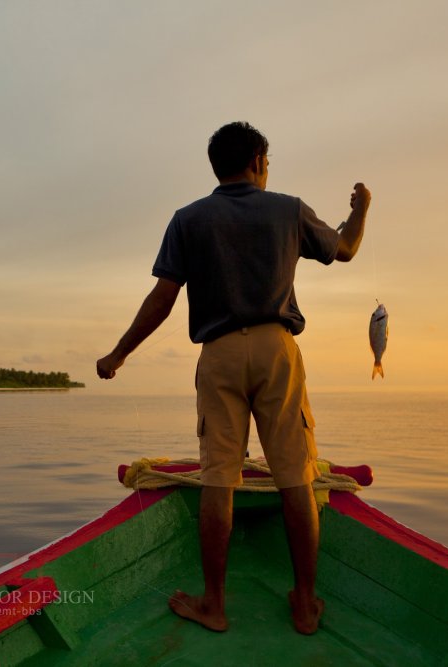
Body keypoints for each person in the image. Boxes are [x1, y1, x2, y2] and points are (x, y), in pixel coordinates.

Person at [96, 121, 370, 635]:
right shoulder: (288, 209)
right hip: (277, 349)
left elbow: (162, 299)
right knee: (295, 475)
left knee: (218, 479)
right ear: (259, 162)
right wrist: (360, 210)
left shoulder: (188, 219)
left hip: (218, 353)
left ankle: (214, 604)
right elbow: (346, 249)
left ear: (217, 167)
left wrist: (118, 353)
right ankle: (306, 603)